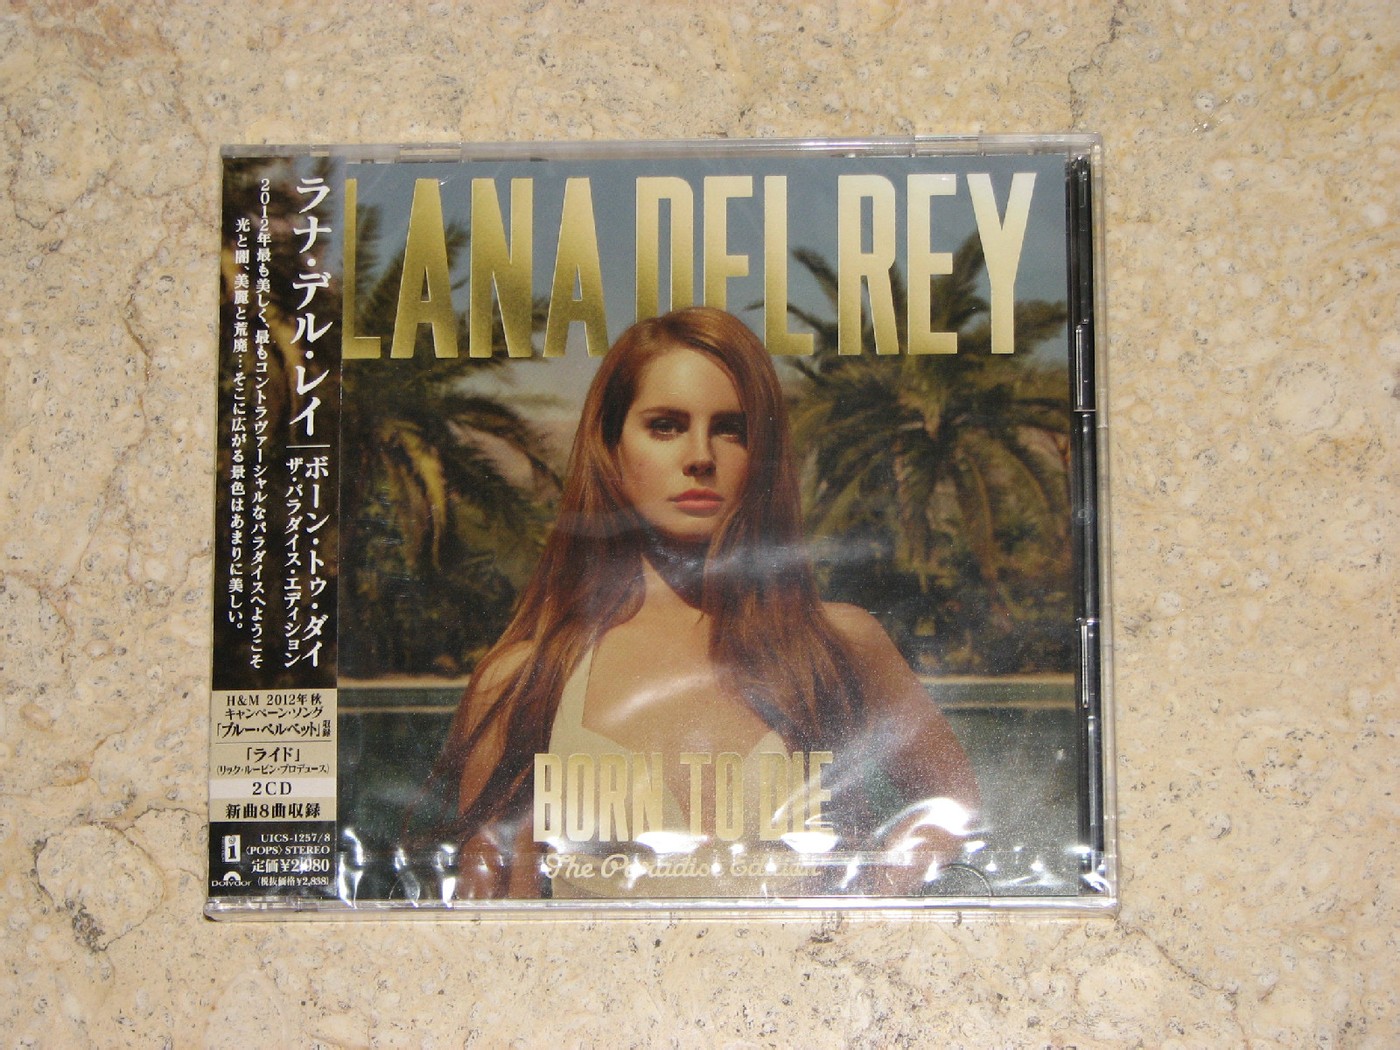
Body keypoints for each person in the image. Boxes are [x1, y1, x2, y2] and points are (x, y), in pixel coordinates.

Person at [423, 307, 978, 899]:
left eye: (732, 429)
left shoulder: (837, 645)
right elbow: (493, 918)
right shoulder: (524, 682)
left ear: (762, 455)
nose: (700, 456)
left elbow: (955, 807)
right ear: (611, 447)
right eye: (665, 426)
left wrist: (868, 903)